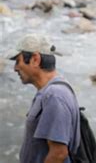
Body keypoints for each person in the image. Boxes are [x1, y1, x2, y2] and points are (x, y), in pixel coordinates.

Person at [7, 34, 80, 163]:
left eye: (18, 61)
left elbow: (58, 154)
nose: (15, 68)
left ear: (35, 59)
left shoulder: (54, 95)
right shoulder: (49, 91)